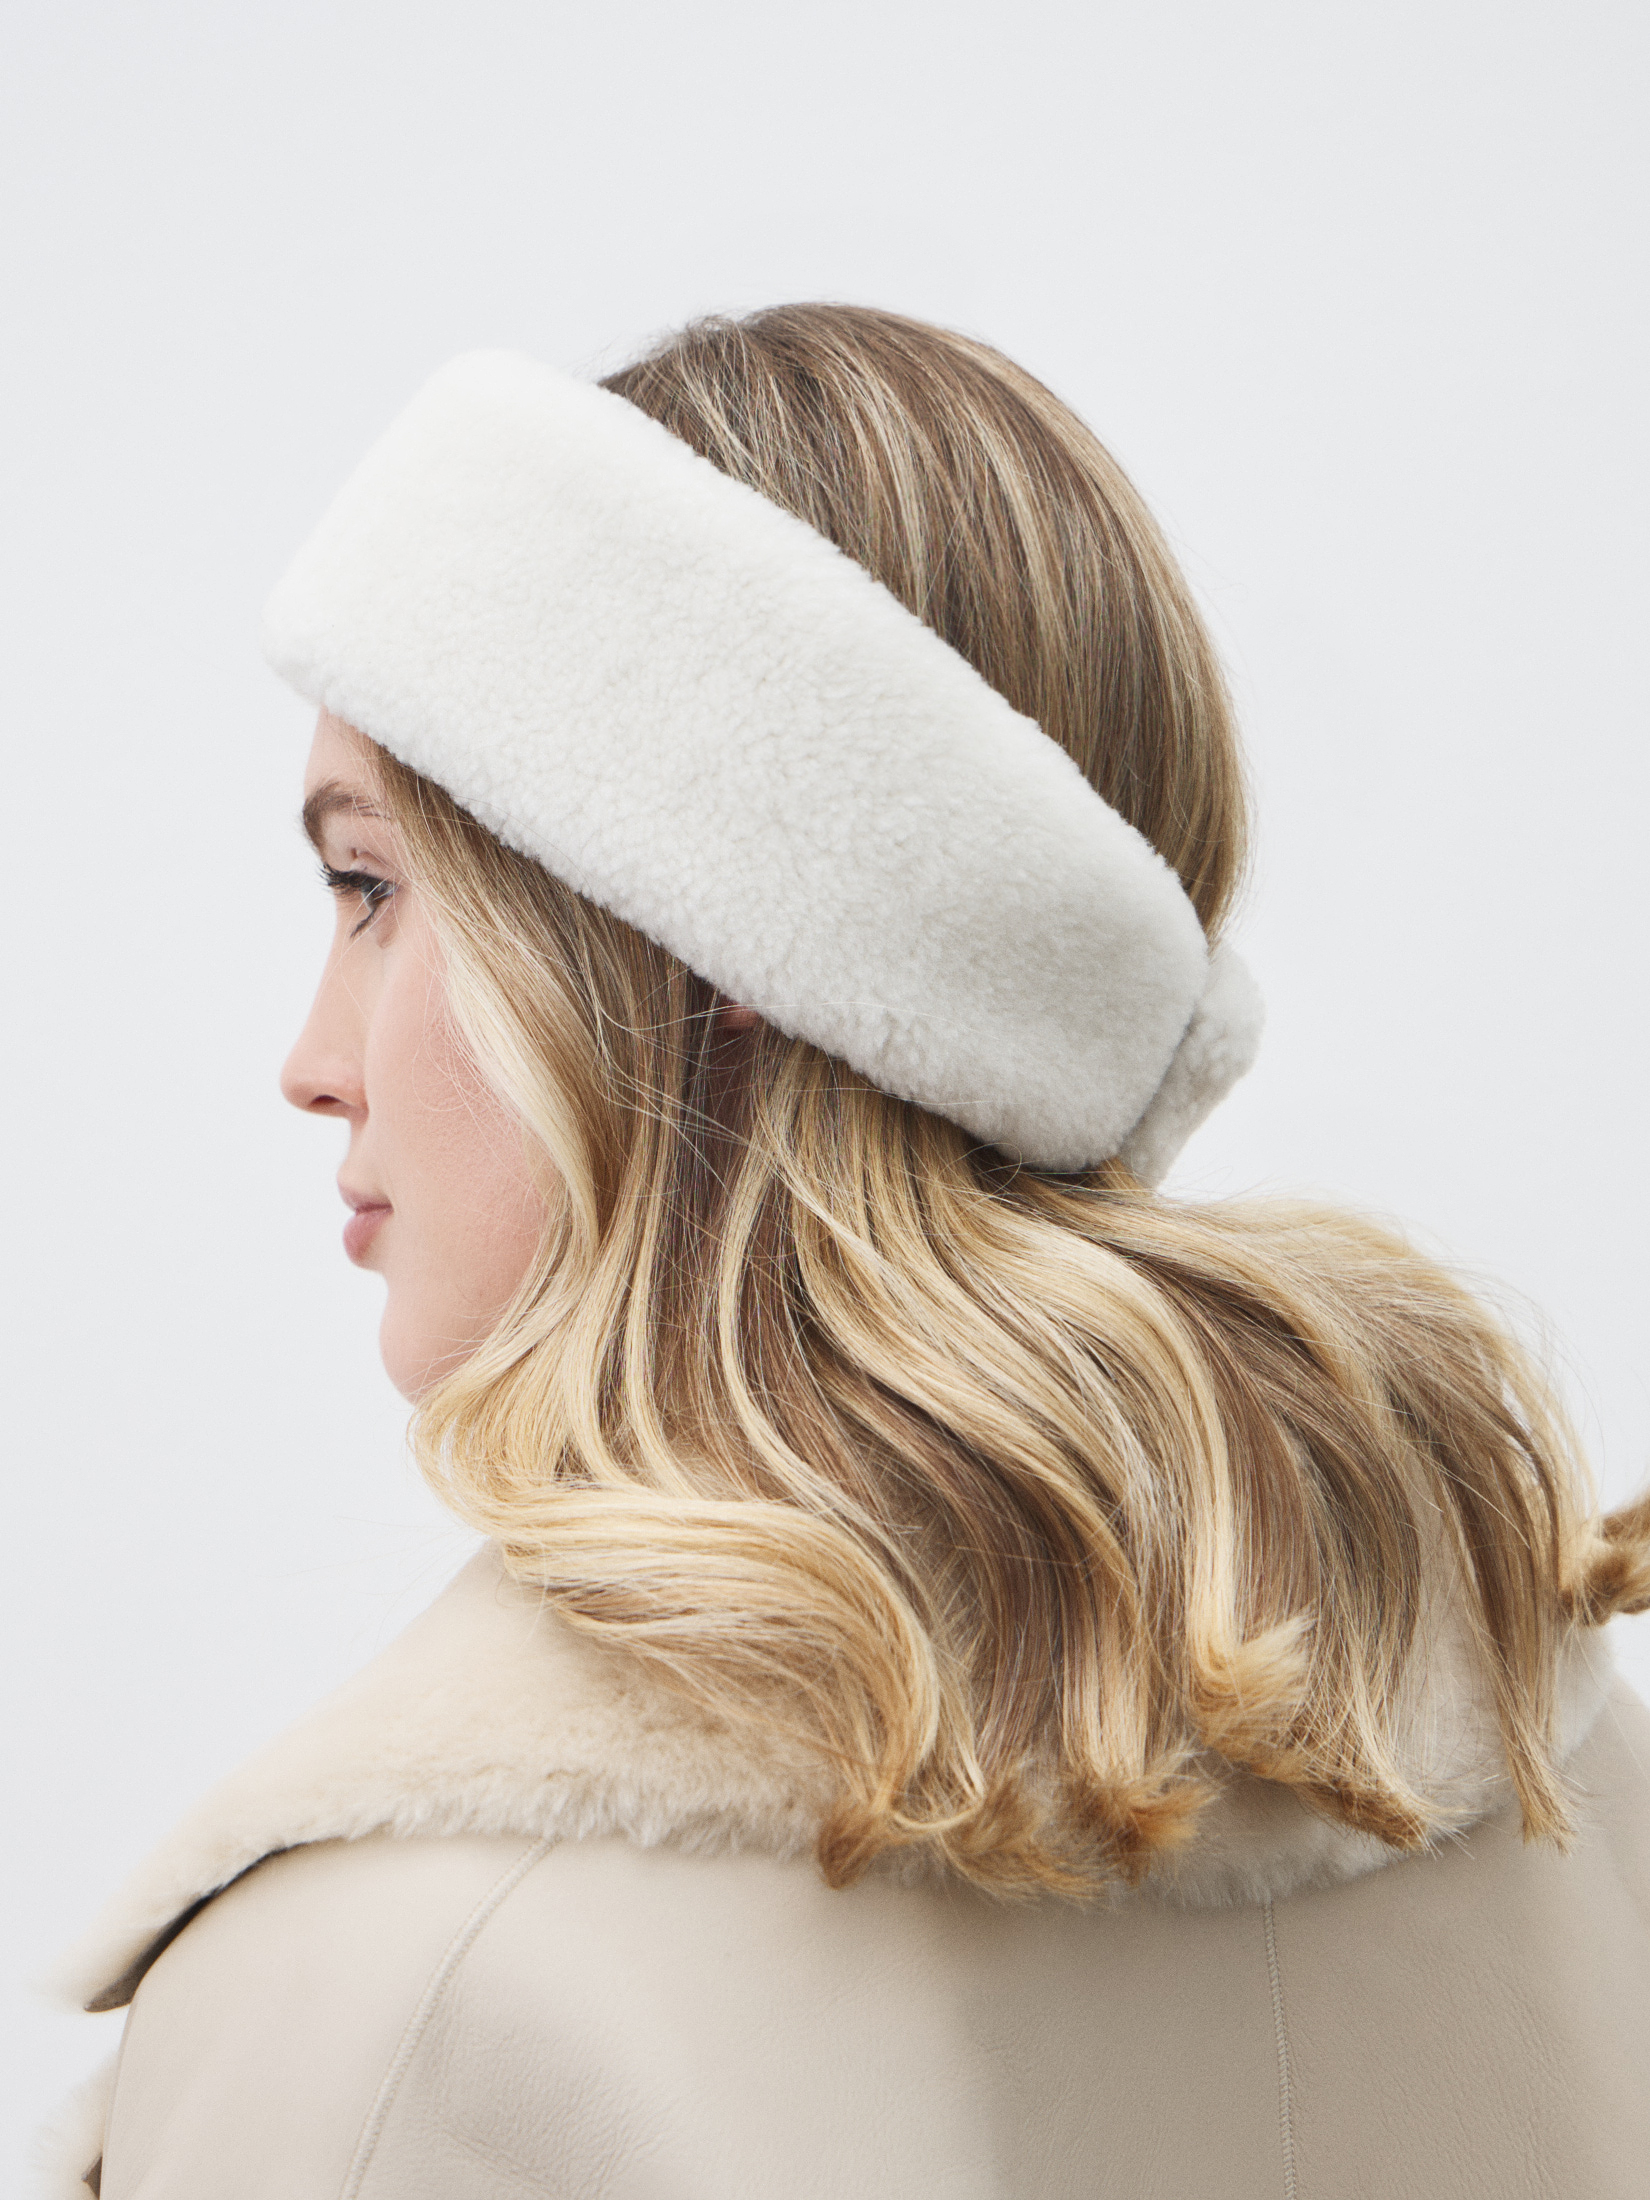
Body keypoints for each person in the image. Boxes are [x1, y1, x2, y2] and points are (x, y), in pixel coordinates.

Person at [45, 305, 1650, 2198]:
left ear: (709, 938)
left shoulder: (405, 1990)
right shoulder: (1542, 1763)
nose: (313, 1062)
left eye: (370, 885)